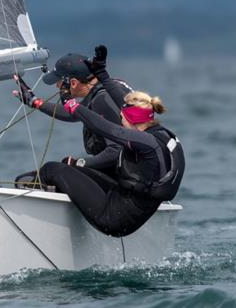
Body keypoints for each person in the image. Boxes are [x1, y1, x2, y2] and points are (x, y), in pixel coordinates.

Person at [24, 45, 185, 238]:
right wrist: (102, 73)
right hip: (125, 202)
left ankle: (29, 214)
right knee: (70, 170)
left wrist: (70, 103)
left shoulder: (142, 142)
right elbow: (119, 103)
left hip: (114, 219)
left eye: (123, 116)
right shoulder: (159, 134)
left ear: (131, 119)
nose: (120, 118)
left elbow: (102, 125)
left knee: (51, 169)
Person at [12, 53, 131, 189]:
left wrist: (79, 163)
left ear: (73, 83)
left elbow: (116, 151)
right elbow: (74, 114)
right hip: (125, 175)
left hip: (124, 183)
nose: (57, 86)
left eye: (59, 81)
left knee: (25, 181)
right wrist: (35, 102)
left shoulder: (102, 100)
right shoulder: (108, 88)